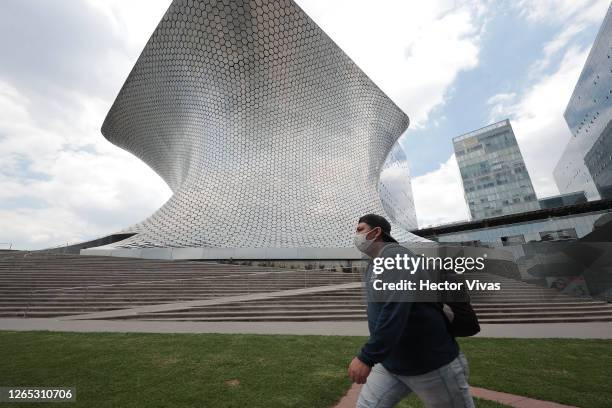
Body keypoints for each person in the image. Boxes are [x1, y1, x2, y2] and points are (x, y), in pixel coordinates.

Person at [348, 214, 475, 408]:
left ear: (375, 232)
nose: (355, 235)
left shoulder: (397, 257)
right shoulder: (373, 265)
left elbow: (394, 309)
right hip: (392, 362)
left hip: (430, 364)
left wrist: (367, 356)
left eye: (360, 230)